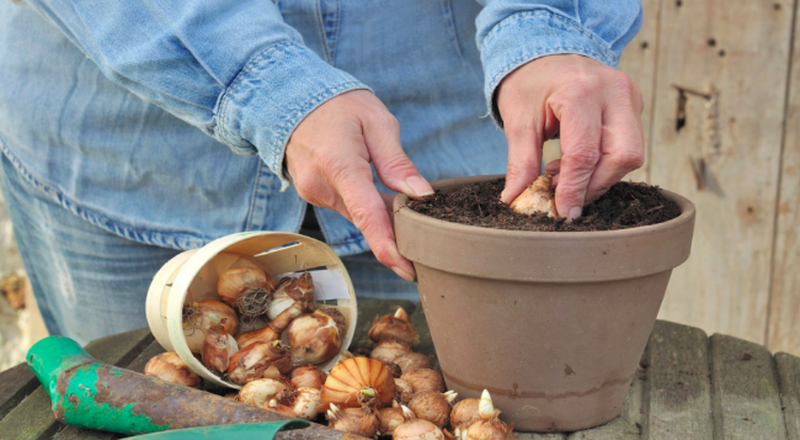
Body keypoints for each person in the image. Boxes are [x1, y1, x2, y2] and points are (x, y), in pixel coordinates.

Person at [0, 0, 645, 345]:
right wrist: (270, 88)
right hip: (137, 154)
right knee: (138, 401)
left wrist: (550, 27)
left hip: (439, 158)